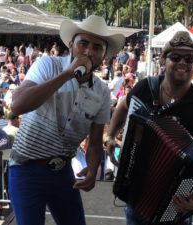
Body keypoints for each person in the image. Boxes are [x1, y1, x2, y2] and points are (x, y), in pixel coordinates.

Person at [8, 15, 125, 225]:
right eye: (83, 44)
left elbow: (96, 141)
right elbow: (17, 106)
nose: (89, 51)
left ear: (104, 55)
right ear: (71, 45)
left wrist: (91, 168)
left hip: (62, 173)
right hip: (26, 169)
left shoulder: (101, 92)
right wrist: (67, 74)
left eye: (97, 47)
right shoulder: (48, 65)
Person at [106, 31, 193, 225]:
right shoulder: (145, 88)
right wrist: (110, 136)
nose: (183, 62)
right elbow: (123, 105)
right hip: (137, 192)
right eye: (175, 57)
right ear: (163, 61)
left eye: (189, 58)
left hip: (174, 199)